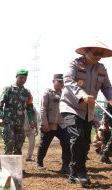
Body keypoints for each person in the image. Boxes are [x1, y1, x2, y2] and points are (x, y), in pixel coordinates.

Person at [60, 40, 112, 185]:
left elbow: (107, 87)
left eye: (101, 54)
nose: (98, 56)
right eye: (95, 53)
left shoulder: (101, 68)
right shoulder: (74, 64)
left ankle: (73, 173)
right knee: (77, 137)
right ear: (86, 51)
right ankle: (81, 171)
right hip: (70, 106)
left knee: (85, 143)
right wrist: (81, 94)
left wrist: (111, 98)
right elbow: (68, 80)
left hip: (88, 111)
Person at [37, 74, 70, 173]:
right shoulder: (47, 93)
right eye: (59, 81)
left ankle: (65, 166)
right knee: (44, 144)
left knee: (67, 142)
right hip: (49, 125)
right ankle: (39, 163)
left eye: (62, 82)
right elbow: (43, 109)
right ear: (53, 81)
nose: (61, 83)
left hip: (61, 124)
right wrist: (44, 123)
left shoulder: (64, 94)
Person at [0, 69, 33, 155]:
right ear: (16, 77)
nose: (23, 80)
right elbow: (0, 104)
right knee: (9, 141)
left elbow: (29, 107)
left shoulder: (27, 92)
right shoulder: (8, 89)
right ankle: (7, 166)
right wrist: (0, 118)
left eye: (25, 78)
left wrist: (31, 120)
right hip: (8, 120)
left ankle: (16, 167)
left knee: (19, 144)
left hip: (20, 121)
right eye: (21, 77)